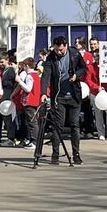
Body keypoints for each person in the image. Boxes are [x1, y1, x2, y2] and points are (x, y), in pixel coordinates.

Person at [40, 36, 87, 165]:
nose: (59, 52)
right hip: (59, 97)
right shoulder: (51, 57)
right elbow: (45, 76)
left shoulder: (74, 53)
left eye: (60, 50)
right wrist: (43, 92)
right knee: (57, 126)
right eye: (56, 50)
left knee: (74, 125)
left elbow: (84, 68)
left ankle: (76, 154)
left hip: (74, 96)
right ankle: (55, 154)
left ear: (65, 46)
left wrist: (77, 75)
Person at [16, 57, 41, 149]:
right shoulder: (36, 75)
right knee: (33, 121)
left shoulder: (29, 76)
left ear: (26, 66)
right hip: (35, 100)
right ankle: (32, 140)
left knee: (32, 122)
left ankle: (34, 141)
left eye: (23, 66)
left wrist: (20, 82)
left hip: (30, 101)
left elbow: (28, 88)